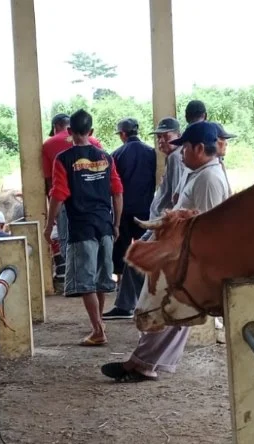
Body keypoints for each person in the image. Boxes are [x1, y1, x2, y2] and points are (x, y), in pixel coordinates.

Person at [101, 121, 229, 382]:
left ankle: (142, 362)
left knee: (169, 309)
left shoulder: (208, 178)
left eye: (184, 149)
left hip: (190, 259)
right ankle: (144, 362)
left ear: (197, 148)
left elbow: (209, 227)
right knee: (172, 313)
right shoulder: (201, 173)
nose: (181, 154)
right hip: (183, 256)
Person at [46, 109, 123, 347]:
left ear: (69, 132)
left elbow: (58, 194)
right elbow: (118, 192)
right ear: (91, 132)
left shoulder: (63, 159)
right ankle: (99, 322)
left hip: (82, 227)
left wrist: (49, 225)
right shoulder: (105, 157)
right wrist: (116, 223)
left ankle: (98, 330)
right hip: (105, 225)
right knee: (101, 278)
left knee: (86, 282)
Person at [42, 112, 104, 293]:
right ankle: (92, 280)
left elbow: (49, 181)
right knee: (92, 241)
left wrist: (50, 212)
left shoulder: (49, 145)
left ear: (56, 128)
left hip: (65, 202)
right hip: (95, 204)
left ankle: (72, 282)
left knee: (67, 240)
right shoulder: (95, 142)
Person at [103, 117, 156, 320]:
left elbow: (114, 188)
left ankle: (126, 301)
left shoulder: (116, 155)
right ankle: (141, 297)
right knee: (145, 256)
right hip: (147, 212)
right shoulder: (151, 153)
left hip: (124, 213)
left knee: (125, 256)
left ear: (123, 134)